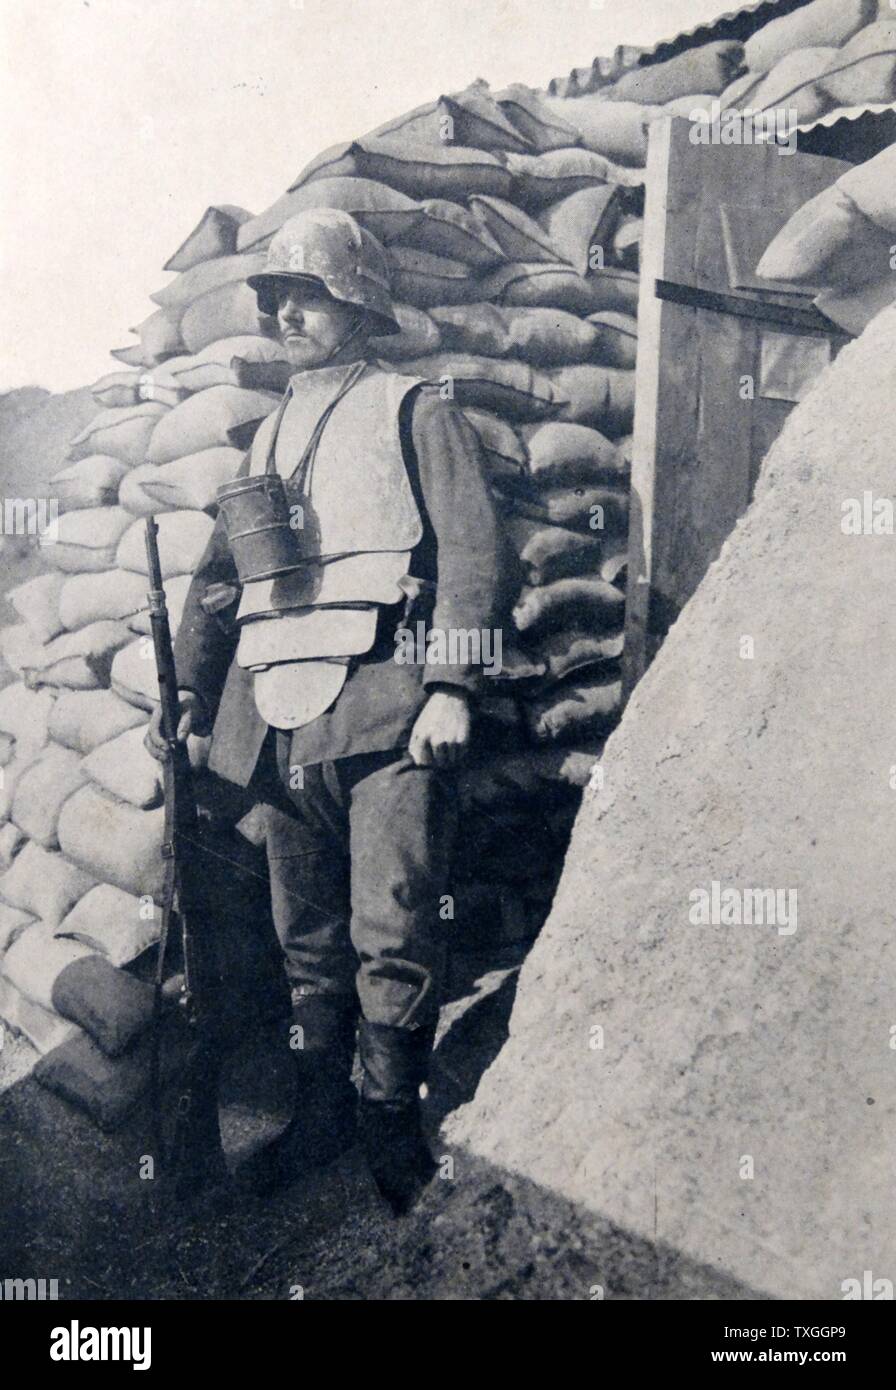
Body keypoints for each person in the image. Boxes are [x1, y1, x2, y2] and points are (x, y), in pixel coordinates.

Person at [145, 207, 512, 1213]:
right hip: (277, 719)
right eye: (277, 296)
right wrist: (183, 691)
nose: (288, 312)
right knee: (303, 935)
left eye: (307, 293)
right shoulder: (265, 428)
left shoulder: (411, 408)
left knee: (390, 923)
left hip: (385, 707)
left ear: (358, 303)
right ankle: (318, 1111)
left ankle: (390, 1125)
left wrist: (450, 684)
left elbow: (477, 553)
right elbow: (218, 580)